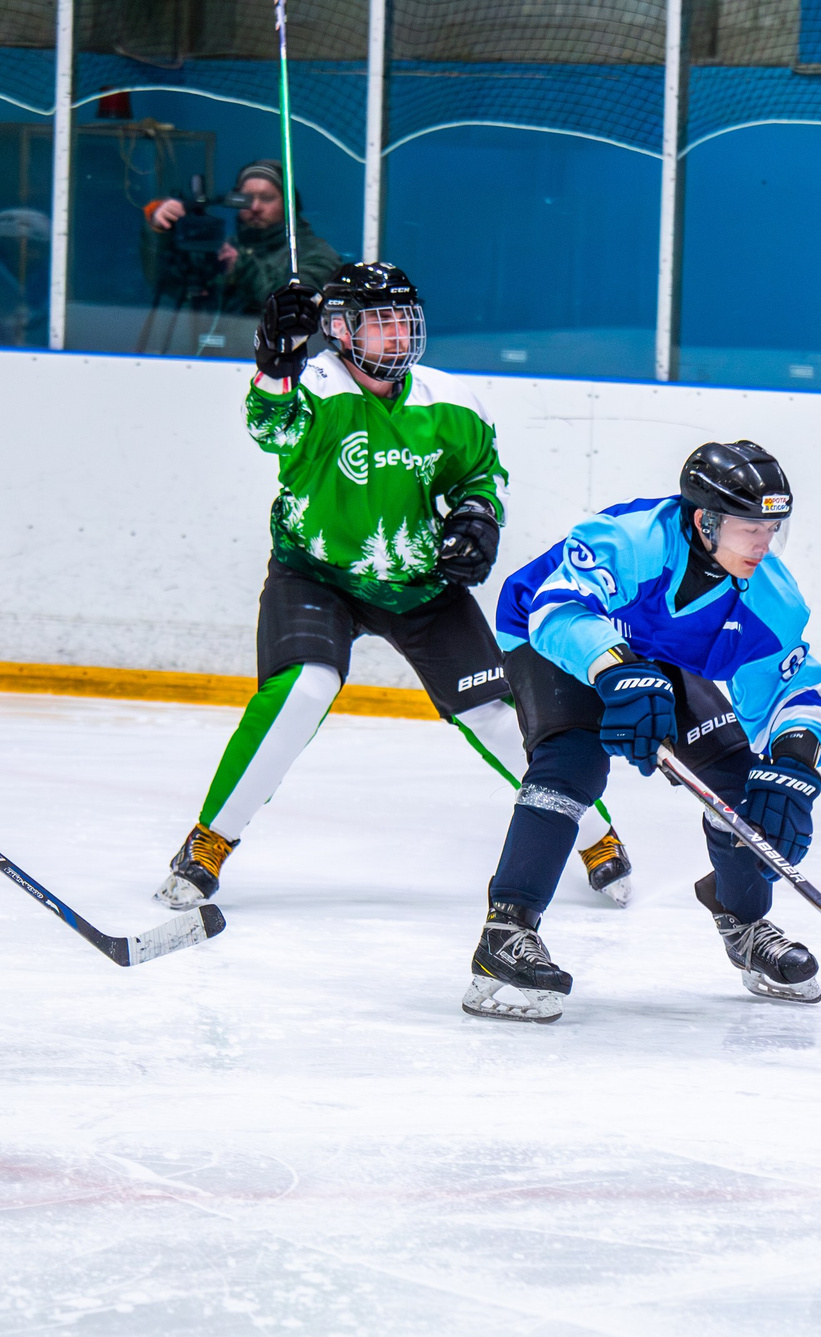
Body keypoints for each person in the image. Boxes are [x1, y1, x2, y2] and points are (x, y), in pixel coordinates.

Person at [156, 262, 633, 911]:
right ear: (340, 328)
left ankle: (595, 833)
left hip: (419, 585)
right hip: (316, 575)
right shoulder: (315, 387)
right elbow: (271, 426)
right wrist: (274, 363)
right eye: (380, 321)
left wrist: (477, 520)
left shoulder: (452, 401)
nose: (397, 333)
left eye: (404, 319)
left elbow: (482, 477)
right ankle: (210, 841)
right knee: (305, 688)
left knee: (497, 718)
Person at [463, 441, 821, 1023]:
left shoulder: (770, 595)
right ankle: (505, 933)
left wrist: (795, 759)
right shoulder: (633, 538)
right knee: (574, 762)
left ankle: (743, 919)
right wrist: (616, 673)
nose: (764, 544)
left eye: (773, 528)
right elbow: (556, 610)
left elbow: (792, 687)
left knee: (742, 784)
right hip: (553, 640)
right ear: (704, 520)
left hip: (654, 658)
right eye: (750, 527)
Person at [143, 158, 343, 331]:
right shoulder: (223, 247)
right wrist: (161, 232)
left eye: (267, 198)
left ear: (289, 204)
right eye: (246, 199)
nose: (255, 207)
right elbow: (166, 285)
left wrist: (243, 268)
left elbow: (295, 308)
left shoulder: (315, 254)